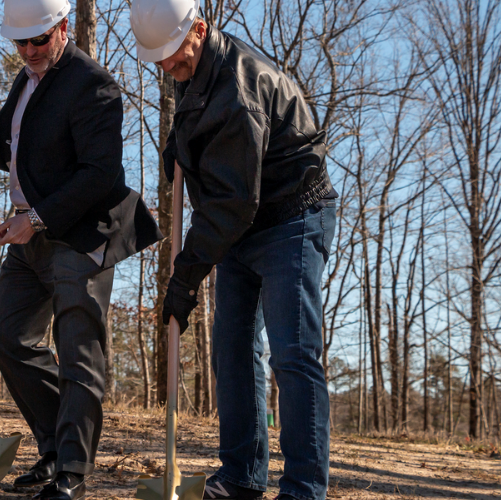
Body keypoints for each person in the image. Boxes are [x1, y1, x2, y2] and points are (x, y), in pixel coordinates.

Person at [129, 1, 338, 499]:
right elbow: (215, 168)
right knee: (232, 347)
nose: (168, 68)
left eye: (174, 57)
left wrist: (184, 277)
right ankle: (243, 476)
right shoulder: (192, 67)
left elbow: (232, 203)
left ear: (199, 30)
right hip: (243, 222)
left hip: (291, 215)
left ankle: (304, 488)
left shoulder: (239, 91)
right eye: (158, 61)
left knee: (292, 353)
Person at [0, 0, 161, 497]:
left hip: (79, 233)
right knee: (9, 338)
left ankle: (72, 471)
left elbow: (98, 174)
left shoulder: (93, 84)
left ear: (62, 28)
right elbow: (12, 150)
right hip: (29, 235)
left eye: (38, 40)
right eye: (20, 42)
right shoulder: (26, 80)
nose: (28, 50)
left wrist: (36, 219)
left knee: (78, 351)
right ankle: (53, 449)